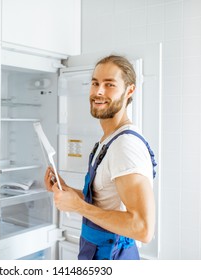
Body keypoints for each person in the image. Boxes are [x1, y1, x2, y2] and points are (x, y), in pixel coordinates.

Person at [44, 55, 156, 260]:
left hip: (113, 255)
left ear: (129, 90)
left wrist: (78, 207)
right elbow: (105, 201)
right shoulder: (108, 141)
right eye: (95, 83)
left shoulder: (125, 146)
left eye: (109, 84)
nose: (98, 92)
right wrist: (68, 192)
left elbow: (143, 228)